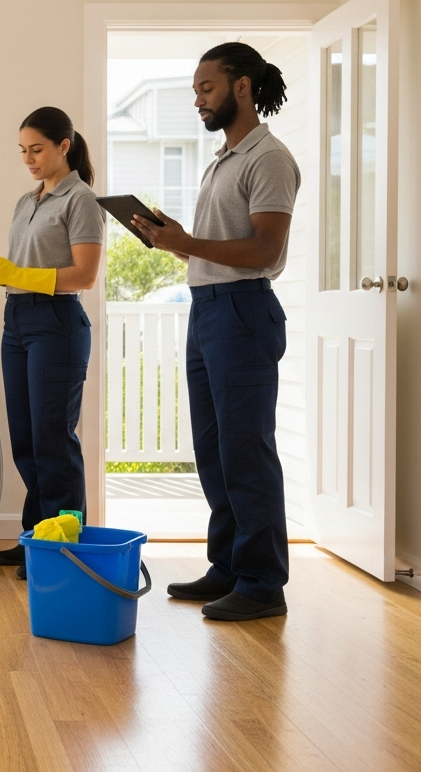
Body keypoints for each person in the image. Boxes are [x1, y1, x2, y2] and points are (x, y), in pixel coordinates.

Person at [130, 43, 299, 622]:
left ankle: (261, 583)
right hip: (208, 311)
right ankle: (228, 564)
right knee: (214, 449)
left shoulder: (268, 158)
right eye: (195, 90)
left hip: (243, 311)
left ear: (242, 87)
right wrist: (172, 240)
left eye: (206, 88)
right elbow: (216, 248)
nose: (198, 100)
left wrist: (183, 243)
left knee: (246, 449)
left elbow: (264, 248)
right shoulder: (223, 159)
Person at [0, 107, 104, 580]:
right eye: (22, 150)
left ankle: (63, 548)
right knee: (26, 439)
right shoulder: (27, 201)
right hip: (17, 321)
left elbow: (85, 275)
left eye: (36, 149)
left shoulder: (82, 201)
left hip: (57, 325)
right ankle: (38, 538)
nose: (28, 159)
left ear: (64, 145)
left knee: (53, 439)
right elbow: (24, 265)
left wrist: (15, 273)